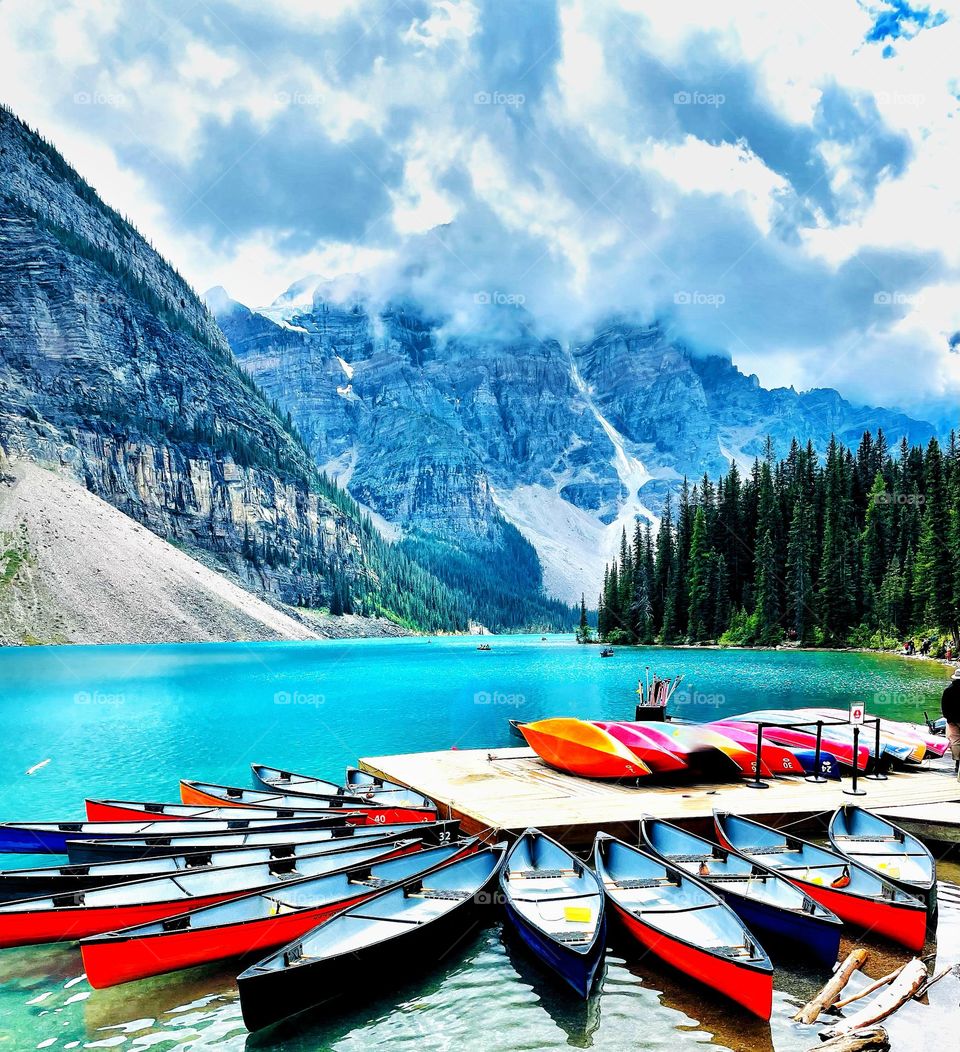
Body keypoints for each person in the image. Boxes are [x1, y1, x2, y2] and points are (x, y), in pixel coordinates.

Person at [942, 667, 960, 765]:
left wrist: (948, 718)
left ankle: (957, 761)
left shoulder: (948, 690)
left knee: (956, 740)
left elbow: (944, 706)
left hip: (952, 719)